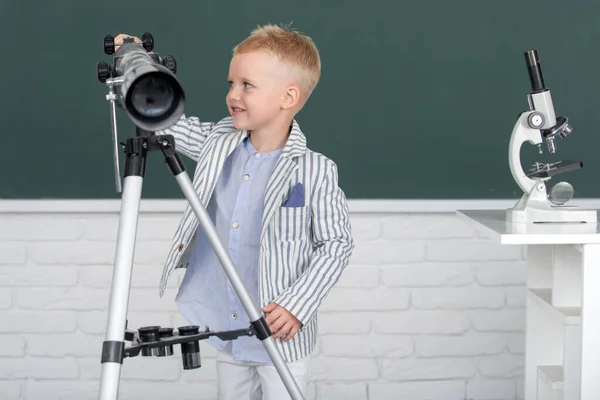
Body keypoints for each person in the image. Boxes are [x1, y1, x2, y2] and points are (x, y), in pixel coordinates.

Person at [115, 24, 354, 399]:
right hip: (228, 327)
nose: (232, 95)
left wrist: (297, 305)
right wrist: (135, 64)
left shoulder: (315, 169)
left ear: (288, 96)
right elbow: (164, 119)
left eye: (247, 85)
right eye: (231, 83)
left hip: (281, 334)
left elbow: (337, 244)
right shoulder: (217, 142)